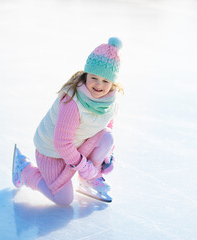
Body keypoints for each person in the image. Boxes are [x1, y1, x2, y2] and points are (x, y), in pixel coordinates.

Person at [12, 37, 123, 206]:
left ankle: (88, 180)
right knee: (63, 199)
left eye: (106, 81)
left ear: (113, 83)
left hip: (76, 146)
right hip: (52, 151)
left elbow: (107, 125)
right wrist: (86, 167)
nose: (99, 85)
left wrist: (106, 156)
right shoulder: (72, 102)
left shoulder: (109, 101)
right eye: (94, 77)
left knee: (108, 137)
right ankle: (24, 171)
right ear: (86, 74)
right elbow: (62, 144)